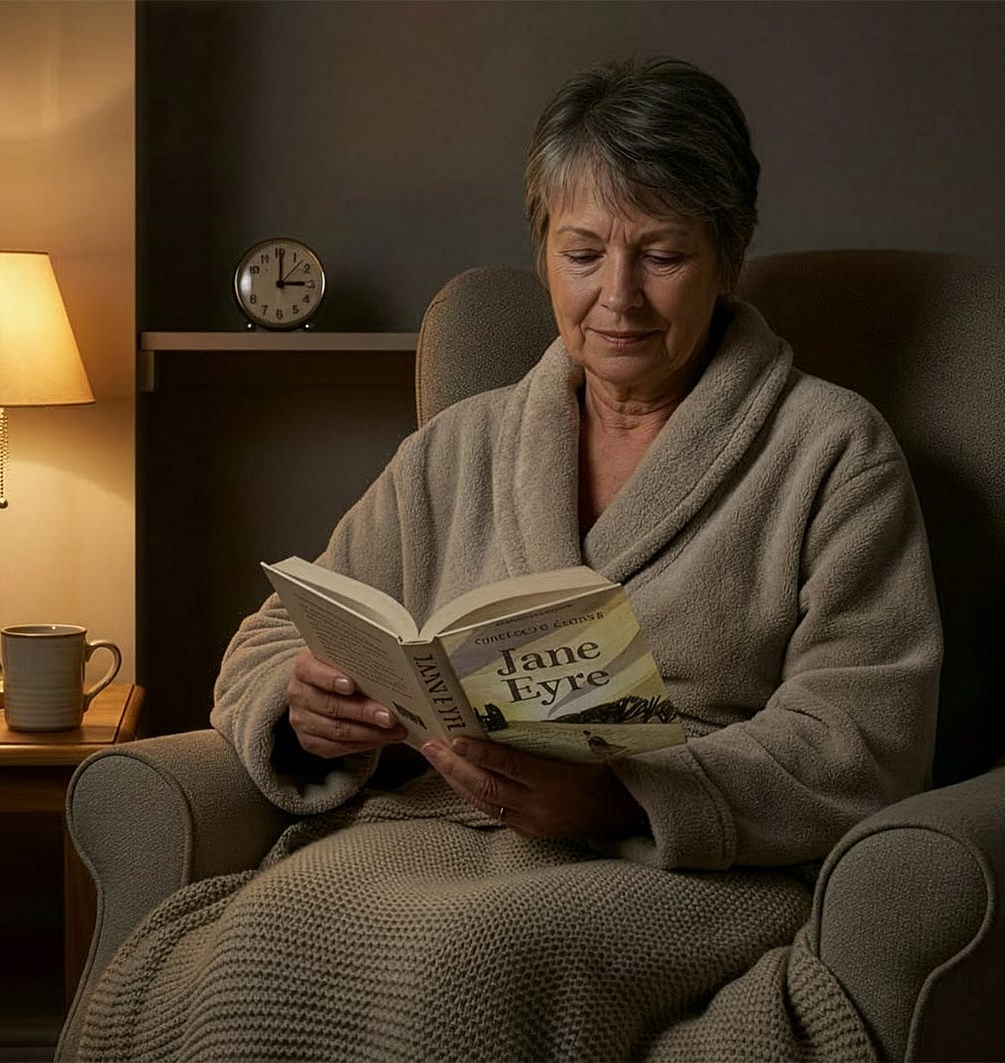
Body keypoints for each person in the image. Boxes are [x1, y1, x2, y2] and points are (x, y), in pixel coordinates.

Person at [74, 57, 941, 1061]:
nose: (616, 297)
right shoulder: (464, 443)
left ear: (728, 258)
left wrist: (631, 792)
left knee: (464, 975)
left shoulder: (832, 451)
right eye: (582, 253)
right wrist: (297, 699)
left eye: (660, 254)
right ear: (541, 253)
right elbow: (277, 628)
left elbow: (864, 735)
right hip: (432, 832)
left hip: (682, 865)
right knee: (254, 946)